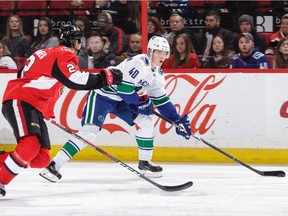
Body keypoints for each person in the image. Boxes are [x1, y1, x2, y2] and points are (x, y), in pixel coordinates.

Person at [39, 35, 192, 183]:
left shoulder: (158, 75)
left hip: (121, 101)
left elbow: (162, 101)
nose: (162, 56)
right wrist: (142, 103)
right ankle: (53, 166)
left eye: (165, 53)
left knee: (147, 121)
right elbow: (124, 90)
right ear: (150, 51)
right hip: (102, 96)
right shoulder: (138, 63)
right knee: (89, 133)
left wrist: (176, 119)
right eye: (158, 51)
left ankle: (144, 162)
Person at [0, 25, 123, 197]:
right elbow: (76, 80)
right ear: (76, 42)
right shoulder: (64, 54)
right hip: (21, 100)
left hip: (30, 104)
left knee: (40, 158)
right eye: (80, 41)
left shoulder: (52, 55)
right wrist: (106, 78)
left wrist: (46, 111)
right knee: (30, 146)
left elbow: (38, 80)